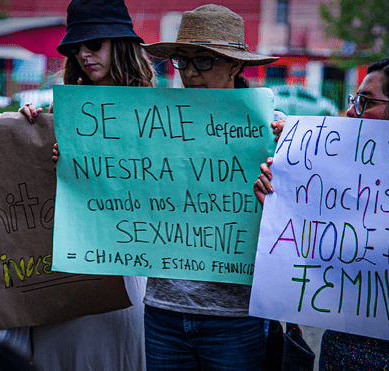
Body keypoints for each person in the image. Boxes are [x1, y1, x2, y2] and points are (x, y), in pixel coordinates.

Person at [254, 56, 389, 370]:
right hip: (348, 351)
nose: (350, 111)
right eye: (353, 100)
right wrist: (280, 209)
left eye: (365, 102)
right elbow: (318, 256)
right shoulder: (338, 181)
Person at [140, 5, 279, 370]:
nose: (190, 73)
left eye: (203, 61)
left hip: (236, 316)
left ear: (235, 66)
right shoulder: (153, 124)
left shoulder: (270, 131)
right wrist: (76, 156)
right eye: (182, 61)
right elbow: (115, 177)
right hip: (162, 312)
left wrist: (285, 173)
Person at [19, 0, 154, 370]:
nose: (83, 54)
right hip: (63, 278)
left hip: (124, 272)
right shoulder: (59, 114)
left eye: (93, 45)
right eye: (76, 47)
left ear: (120, 45)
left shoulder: (158, 116)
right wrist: (21, 134)